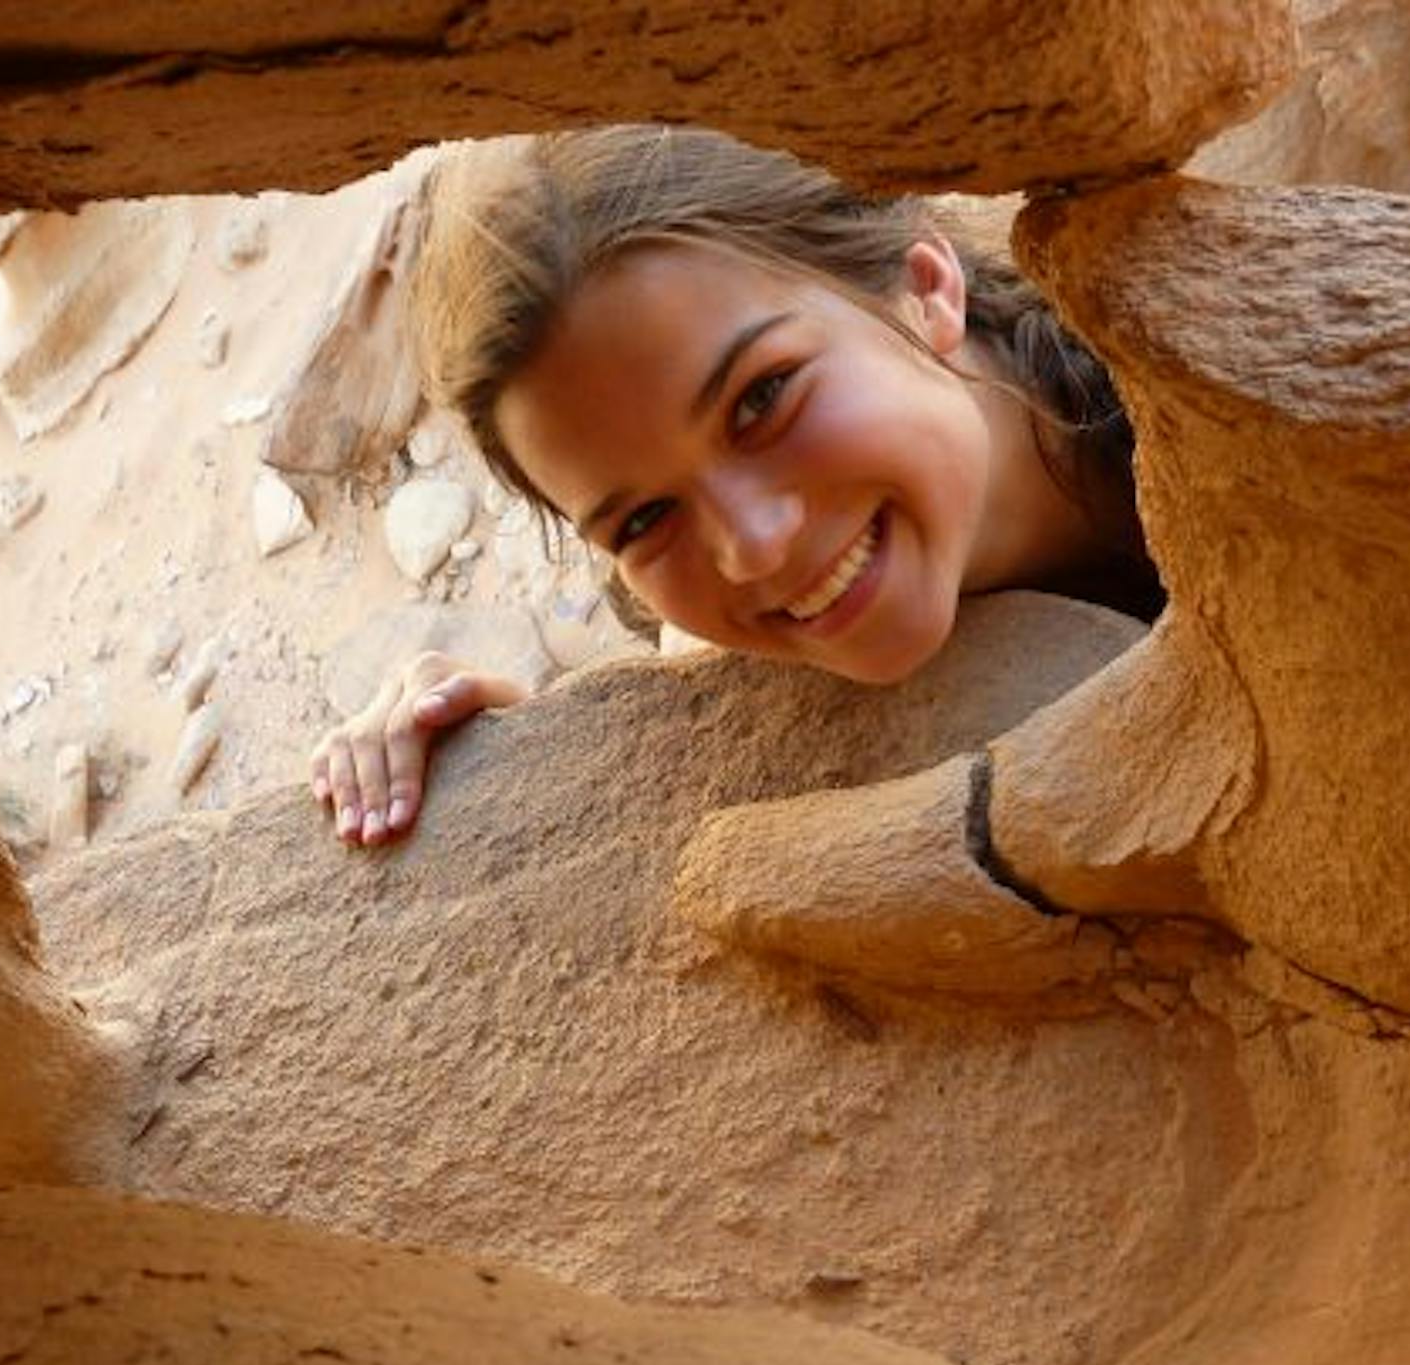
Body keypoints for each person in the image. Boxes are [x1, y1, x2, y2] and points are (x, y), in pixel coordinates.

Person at [311, 125, 1159, 846]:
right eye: (643, 519)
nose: (753, 546)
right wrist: (525, 750)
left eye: (761, 398)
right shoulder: (728, 642)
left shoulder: (1198, 410)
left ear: (924, 288)